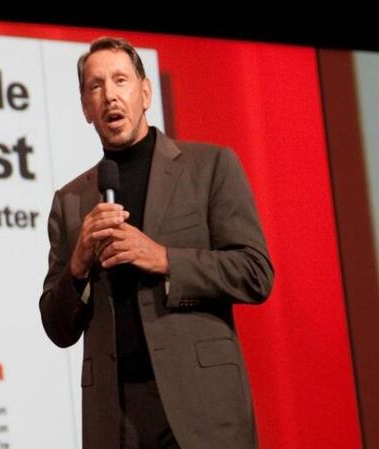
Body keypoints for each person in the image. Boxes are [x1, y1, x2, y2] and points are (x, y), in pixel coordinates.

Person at [38, 36, 274, 449]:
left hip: (200, 405)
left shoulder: (210, 166)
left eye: (120, 80)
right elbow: (57, 328)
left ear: (145, 93)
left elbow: (255, 273)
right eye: (96, 86)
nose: (110, 95)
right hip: (115, 416)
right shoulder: (70, 201)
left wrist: (164, 259)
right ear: (85, 108)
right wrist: (77, 267)